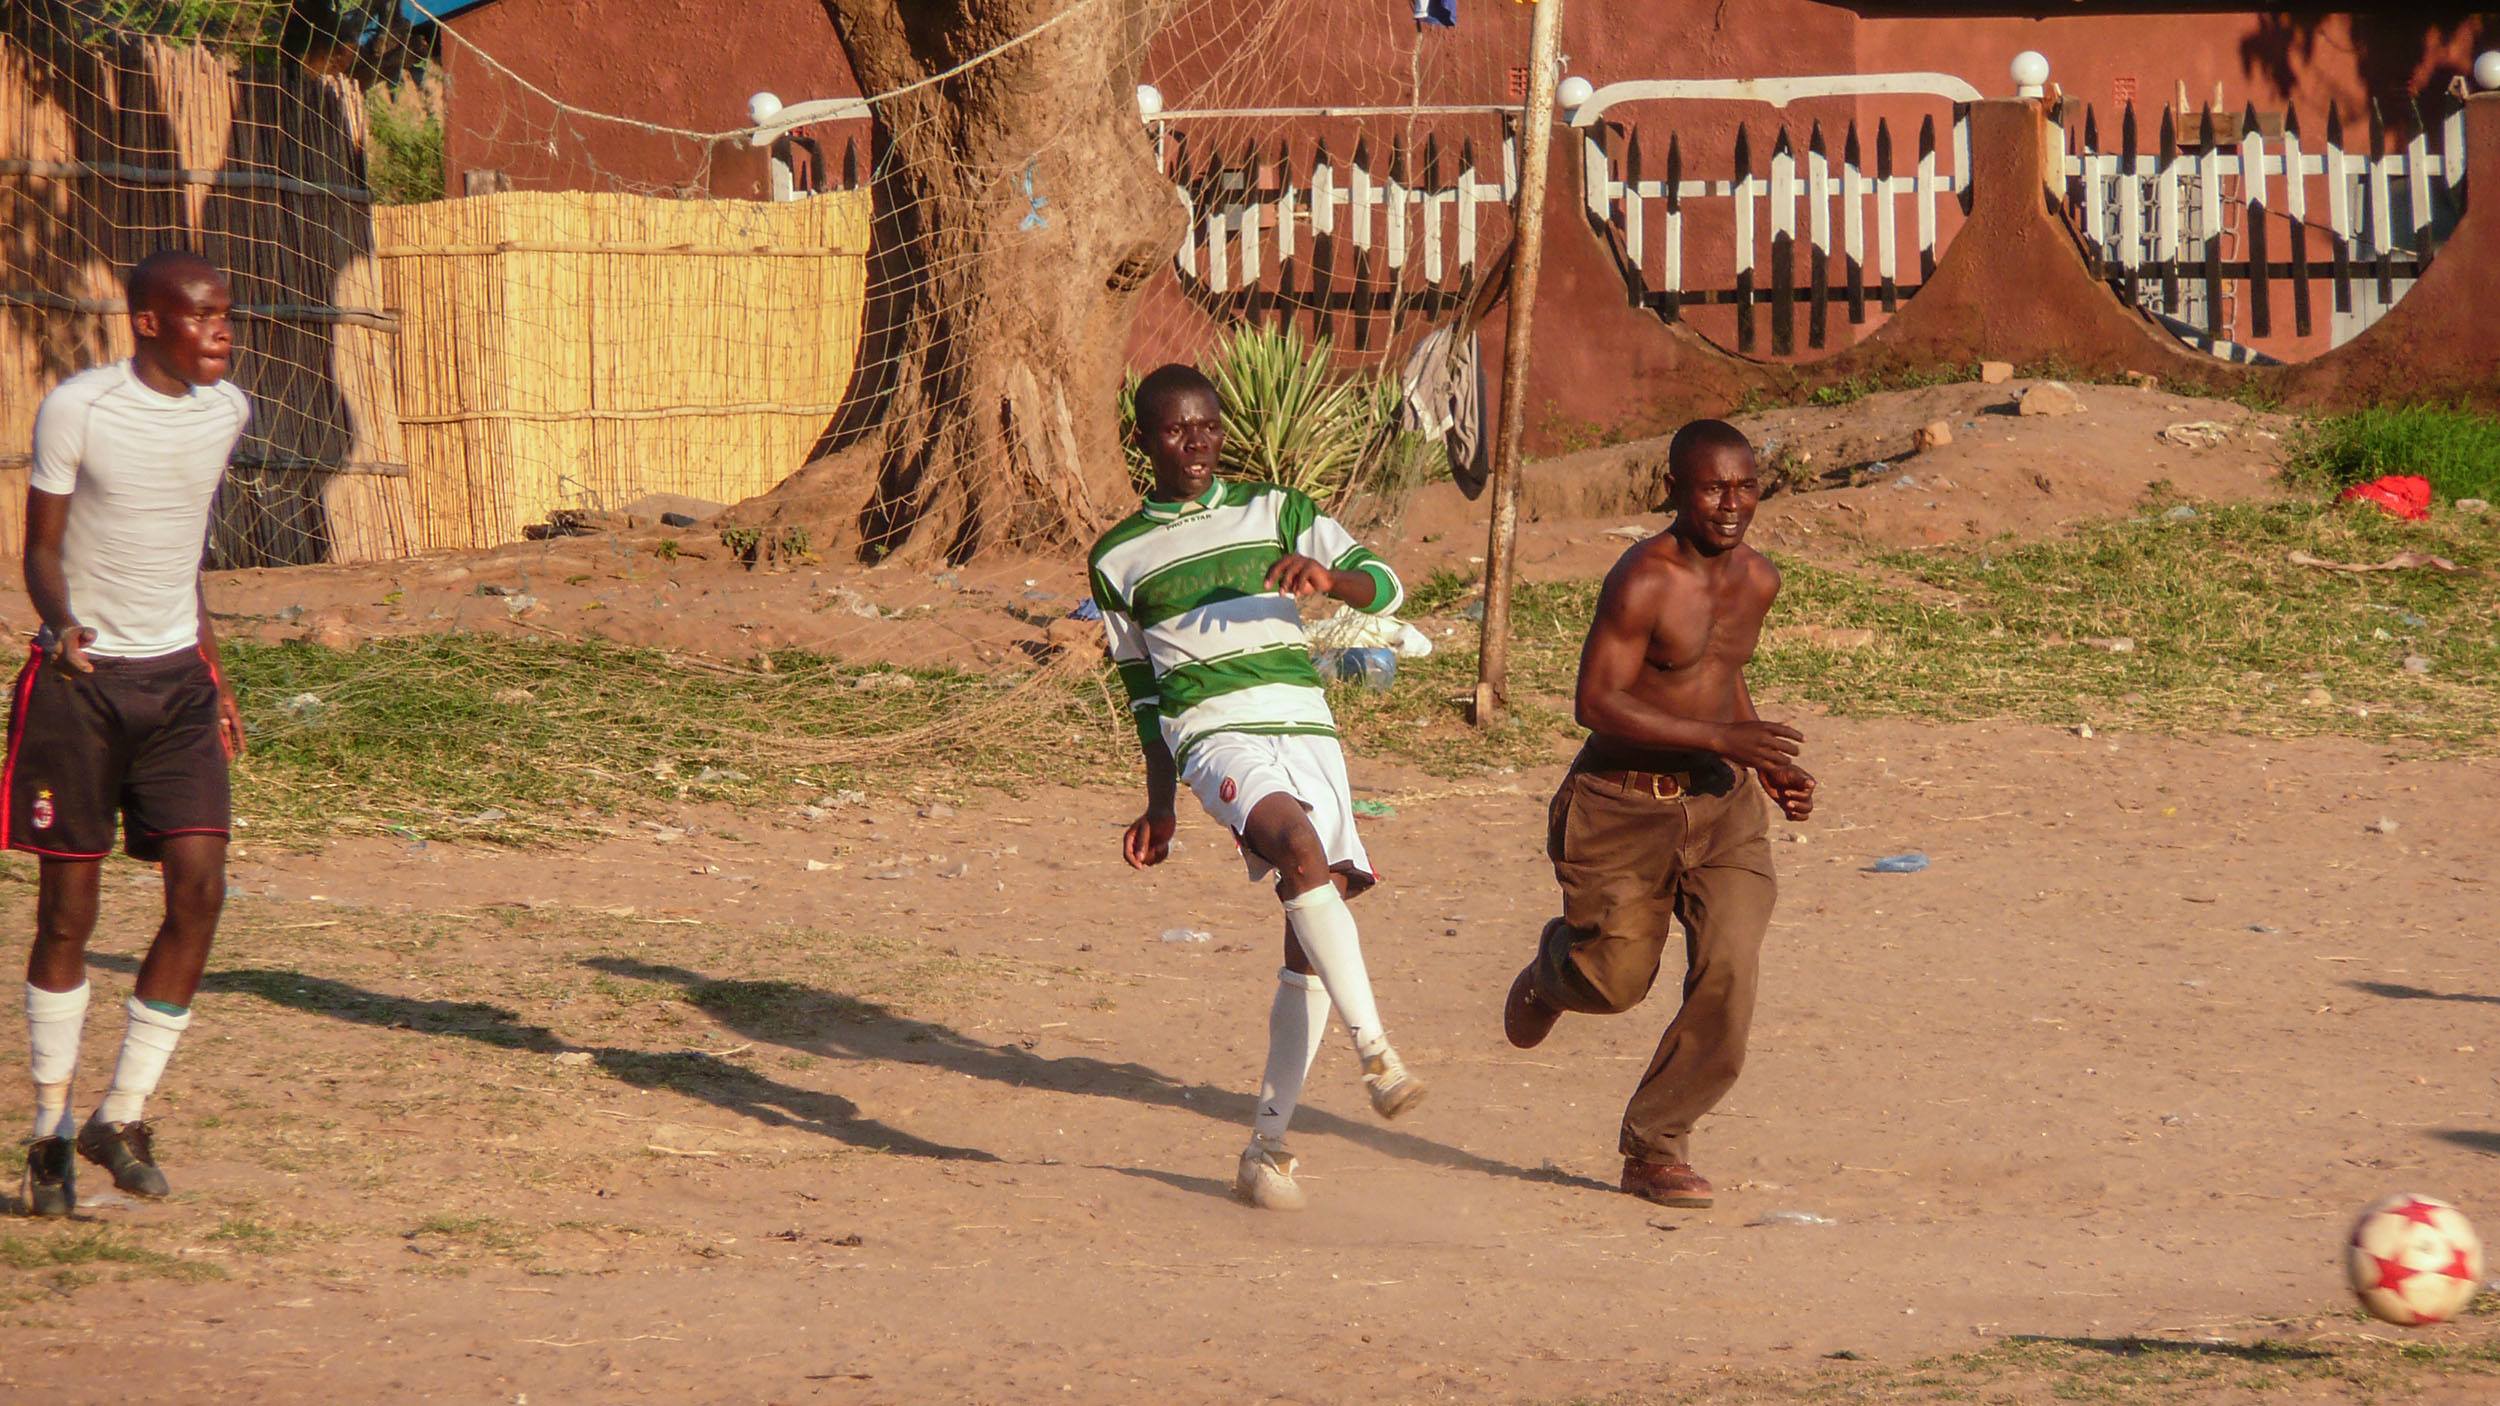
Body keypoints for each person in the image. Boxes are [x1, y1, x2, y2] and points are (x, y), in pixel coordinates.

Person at [1091, 363, 1425, 1212]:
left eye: (1207, 427)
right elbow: (1142, 693)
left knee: (1311, 928)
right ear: (1146, 441)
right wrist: (1162, 802)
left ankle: (1267, 1147)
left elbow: (1383, 585)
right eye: (1175, 430)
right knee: (1299, 849)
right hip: (1214, 732)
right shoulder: (1118, 556)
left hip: (1308, 727)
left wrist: (1327, 579)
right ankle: (1378, 1054)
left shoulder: (1279, 511)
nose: (1196, 443)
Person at [1500, 418, 1814, 1210]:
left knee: (1731, 965)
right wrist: (1723, 733)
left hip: (1719, 805)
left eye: (1745, 487)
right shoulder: (1643, 578)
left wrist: (1762, 760)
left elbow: (1718, 676)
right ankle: (1550, 975)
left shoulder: (1760, 578)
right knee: (1613, 985)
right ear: (1673, 490)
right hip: (1619, 810)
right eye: (1712, 487)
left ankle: (1656, 1145)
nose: (1731, 503)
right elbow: (1595, 703)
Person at [13, 249, 248, 1216]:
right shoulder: (81, 408)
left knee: (200, 893)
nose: (222, 332)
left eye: (227, 315)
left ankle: (124, 1113)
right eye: (201, 316)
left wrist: (214, 668)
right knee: (69, 913)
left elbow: (179, 550)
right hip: (81, 686)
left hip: (177, 687)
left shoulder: (227, 412)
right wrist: (60, 623)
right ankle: (50, 1133)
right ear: (148, 322)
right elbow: (39, 547)